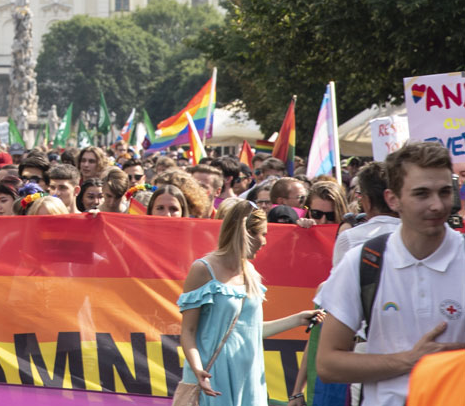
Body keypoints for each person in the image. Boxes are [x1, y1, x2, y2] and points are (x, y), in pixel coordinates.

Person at [314, 142, 465, 405]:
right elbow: (328, 365)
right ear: (392, 199)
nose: (437, 205)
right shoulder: (363, 261)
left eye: (444, 192)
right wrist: (408, 360)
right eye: (421, 194)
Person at [179, 201, 322, 404]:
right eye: (262, 234)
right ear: (244, 233)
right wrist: (197, 369)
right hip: (212, 376)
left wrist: (299, 319)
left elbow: (251, 330)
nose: (264, 242)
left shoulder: (251, 272)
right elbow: (188, 331)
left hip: (249, 376)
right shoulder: (202, 270)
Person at [331, 162, 398, 267]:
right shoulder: (421, 235)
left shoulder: (349, 238)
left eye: (360, 196)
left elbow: (340, 282)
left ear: (367, 200)